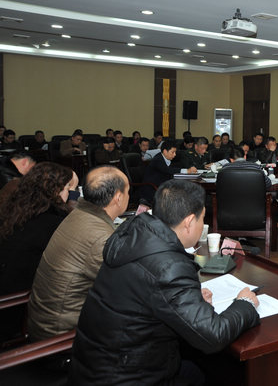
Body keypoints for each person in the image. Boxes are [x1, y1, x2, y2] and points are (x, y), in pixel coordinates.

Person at [69, 180, 260, 385]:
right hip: (126, 376)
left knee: (202, 369)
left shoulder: (134, 236)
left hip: (95, 367)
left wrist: (192, 301)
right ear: (189, 222)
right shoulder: (168, 266)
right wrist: (245, 304)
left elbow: (149, 295)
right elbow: (213, 336)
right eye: (202, 218)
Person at [27, 166, 129, 341]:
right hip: (62, 336)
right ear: (118, 197)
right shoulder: (100, 237)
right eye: (128, 191)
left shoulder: (78, 215)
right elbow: (127, 287)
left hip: (44, 321)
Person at [0, 162, 77, 293]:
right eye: (67, 189)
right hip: (22, 296)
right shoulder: (54, 223)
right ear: (56, 191)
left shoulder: (14, 212)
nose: (68, 193)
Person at [140, 139, 196, 205]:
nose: (174, 155)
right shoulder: (158, 159)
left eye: (175, 152)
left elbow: (173, 169)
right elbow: (168, 170)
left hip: (163, 186)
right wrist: (187, 171)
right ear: (165, 151)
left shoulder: (167, 159)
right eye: (172, 152)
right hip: (152, 189)